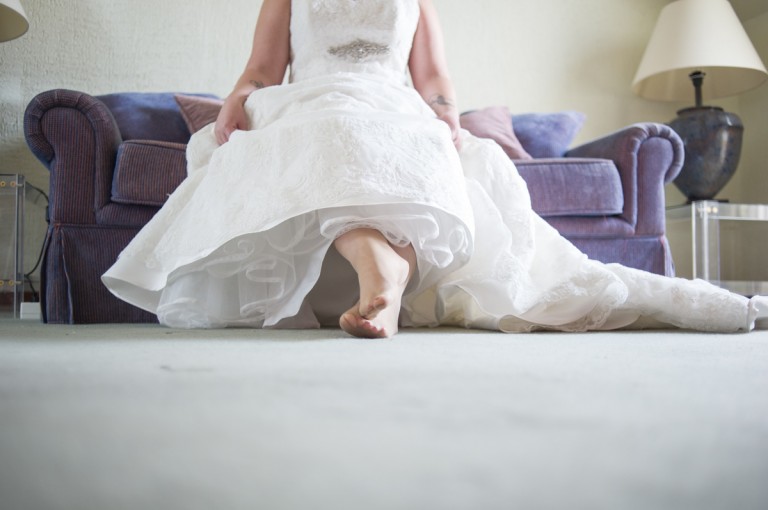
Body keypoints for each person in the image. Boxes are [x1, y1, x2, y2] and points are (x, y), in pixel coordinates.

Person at [102, 0, 768, 337]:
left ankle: (386, 267)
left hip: (392, 107)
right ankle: (380, 264)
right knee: (312, 126)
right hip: (312, 100)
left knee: (397, 135)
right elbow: (259, 70)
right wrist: (240, 101)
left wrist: (445, 120)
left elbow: (435, 80)